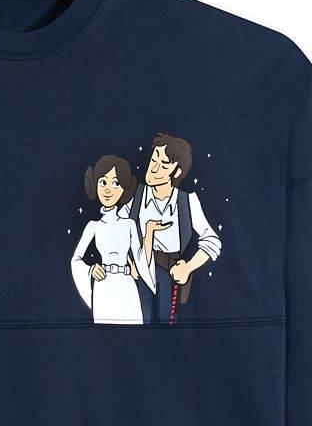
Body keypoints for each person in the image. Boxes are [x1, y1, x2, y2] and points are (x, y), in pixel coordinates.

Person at [122, 132, 222, 322]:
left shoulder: (187, 201)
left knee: (168, 324)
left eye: (164, 164)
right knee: (138, 322)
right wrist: (129, 262)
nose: (154, 168)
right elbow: (116, 230)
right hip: (140, 270)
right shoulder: (137, 197)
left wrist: (188, 267)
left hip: (171, 272)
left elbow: (212, 240)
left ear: (176, 172)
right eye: (154, 160)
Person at [70, 155, 161, 324]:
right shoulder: (93, 226)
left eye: (115, 184)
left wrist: (149, 233)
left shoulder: (129, 224)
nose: (108, 190)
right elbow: (76, 259)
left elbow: (140, 258)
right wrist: (91, 270)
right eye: (103, 182)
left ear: (123, 189)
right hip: (103, 285)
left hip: (127, 285)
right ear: (95, 184)